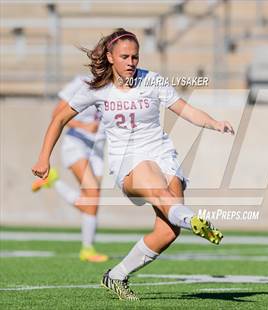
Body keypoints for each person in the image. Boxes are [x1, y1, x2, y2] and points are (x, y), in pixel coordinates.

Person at [32, 28, 234, 300]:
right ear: (110, 57)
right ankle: (192, 220)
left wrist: (214, 123)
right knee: (166, 200)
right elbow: (58, 119)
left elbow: (185, 109)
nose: (131, 62)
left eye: (135, 57)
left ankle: (115, 275)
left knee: (166, 231)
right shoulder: (96, 89)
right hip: (129, 160)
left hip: (163, 153)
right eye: (125, 56)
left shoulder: (152, 81)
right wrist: (43, 158)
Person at [32, 75, 108, 263]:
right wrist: (84, 125)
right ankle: (87, 249)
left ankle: (54, 182)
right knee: (92, 195)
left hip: (98, 147)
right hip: (77, 143)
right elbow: (57, 114)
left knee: (91, 203)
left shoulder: (116, 85)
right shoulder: (81, 82)